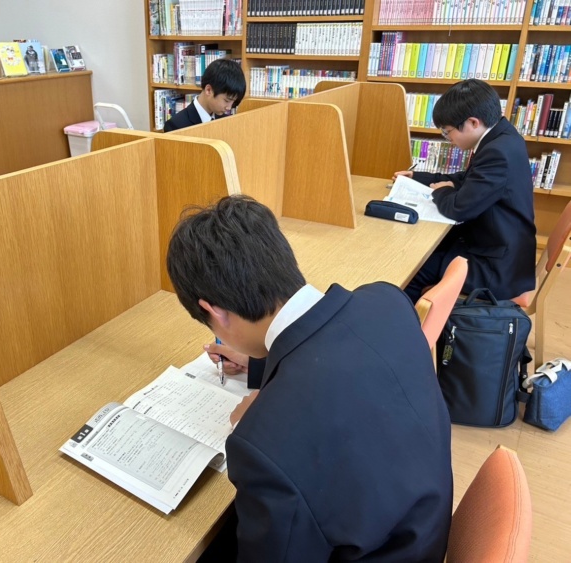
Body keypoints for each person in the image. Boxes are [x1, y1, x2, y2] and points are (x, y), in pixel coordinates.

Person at [167, 195, 453, 562]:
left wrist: (262, 421)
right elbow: (341, 367)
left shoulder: (262, 446)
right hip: (418, 533)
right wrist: (262, 366)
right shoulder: (387, 301)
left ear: (214, 311)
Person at [393, 79, 536, 303]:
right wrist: (421, 178)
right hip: (498, 245)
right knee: (423, 253)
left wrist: (438, 192)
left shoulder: (497, 152)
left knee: (412, 270)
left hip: (495, 265)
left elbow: (459, 208)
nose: (448, 139)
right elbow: (469, 179)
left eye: (447, 132)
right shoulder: (501, 136)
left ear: (472, 122)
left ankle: (406, 332)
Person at [163, 58, 245, 132]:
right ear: (208, 90)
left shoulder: (226, 120)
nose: (229, 108)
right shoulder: (176, 126)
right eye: (226, 100)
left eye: (233, 102)